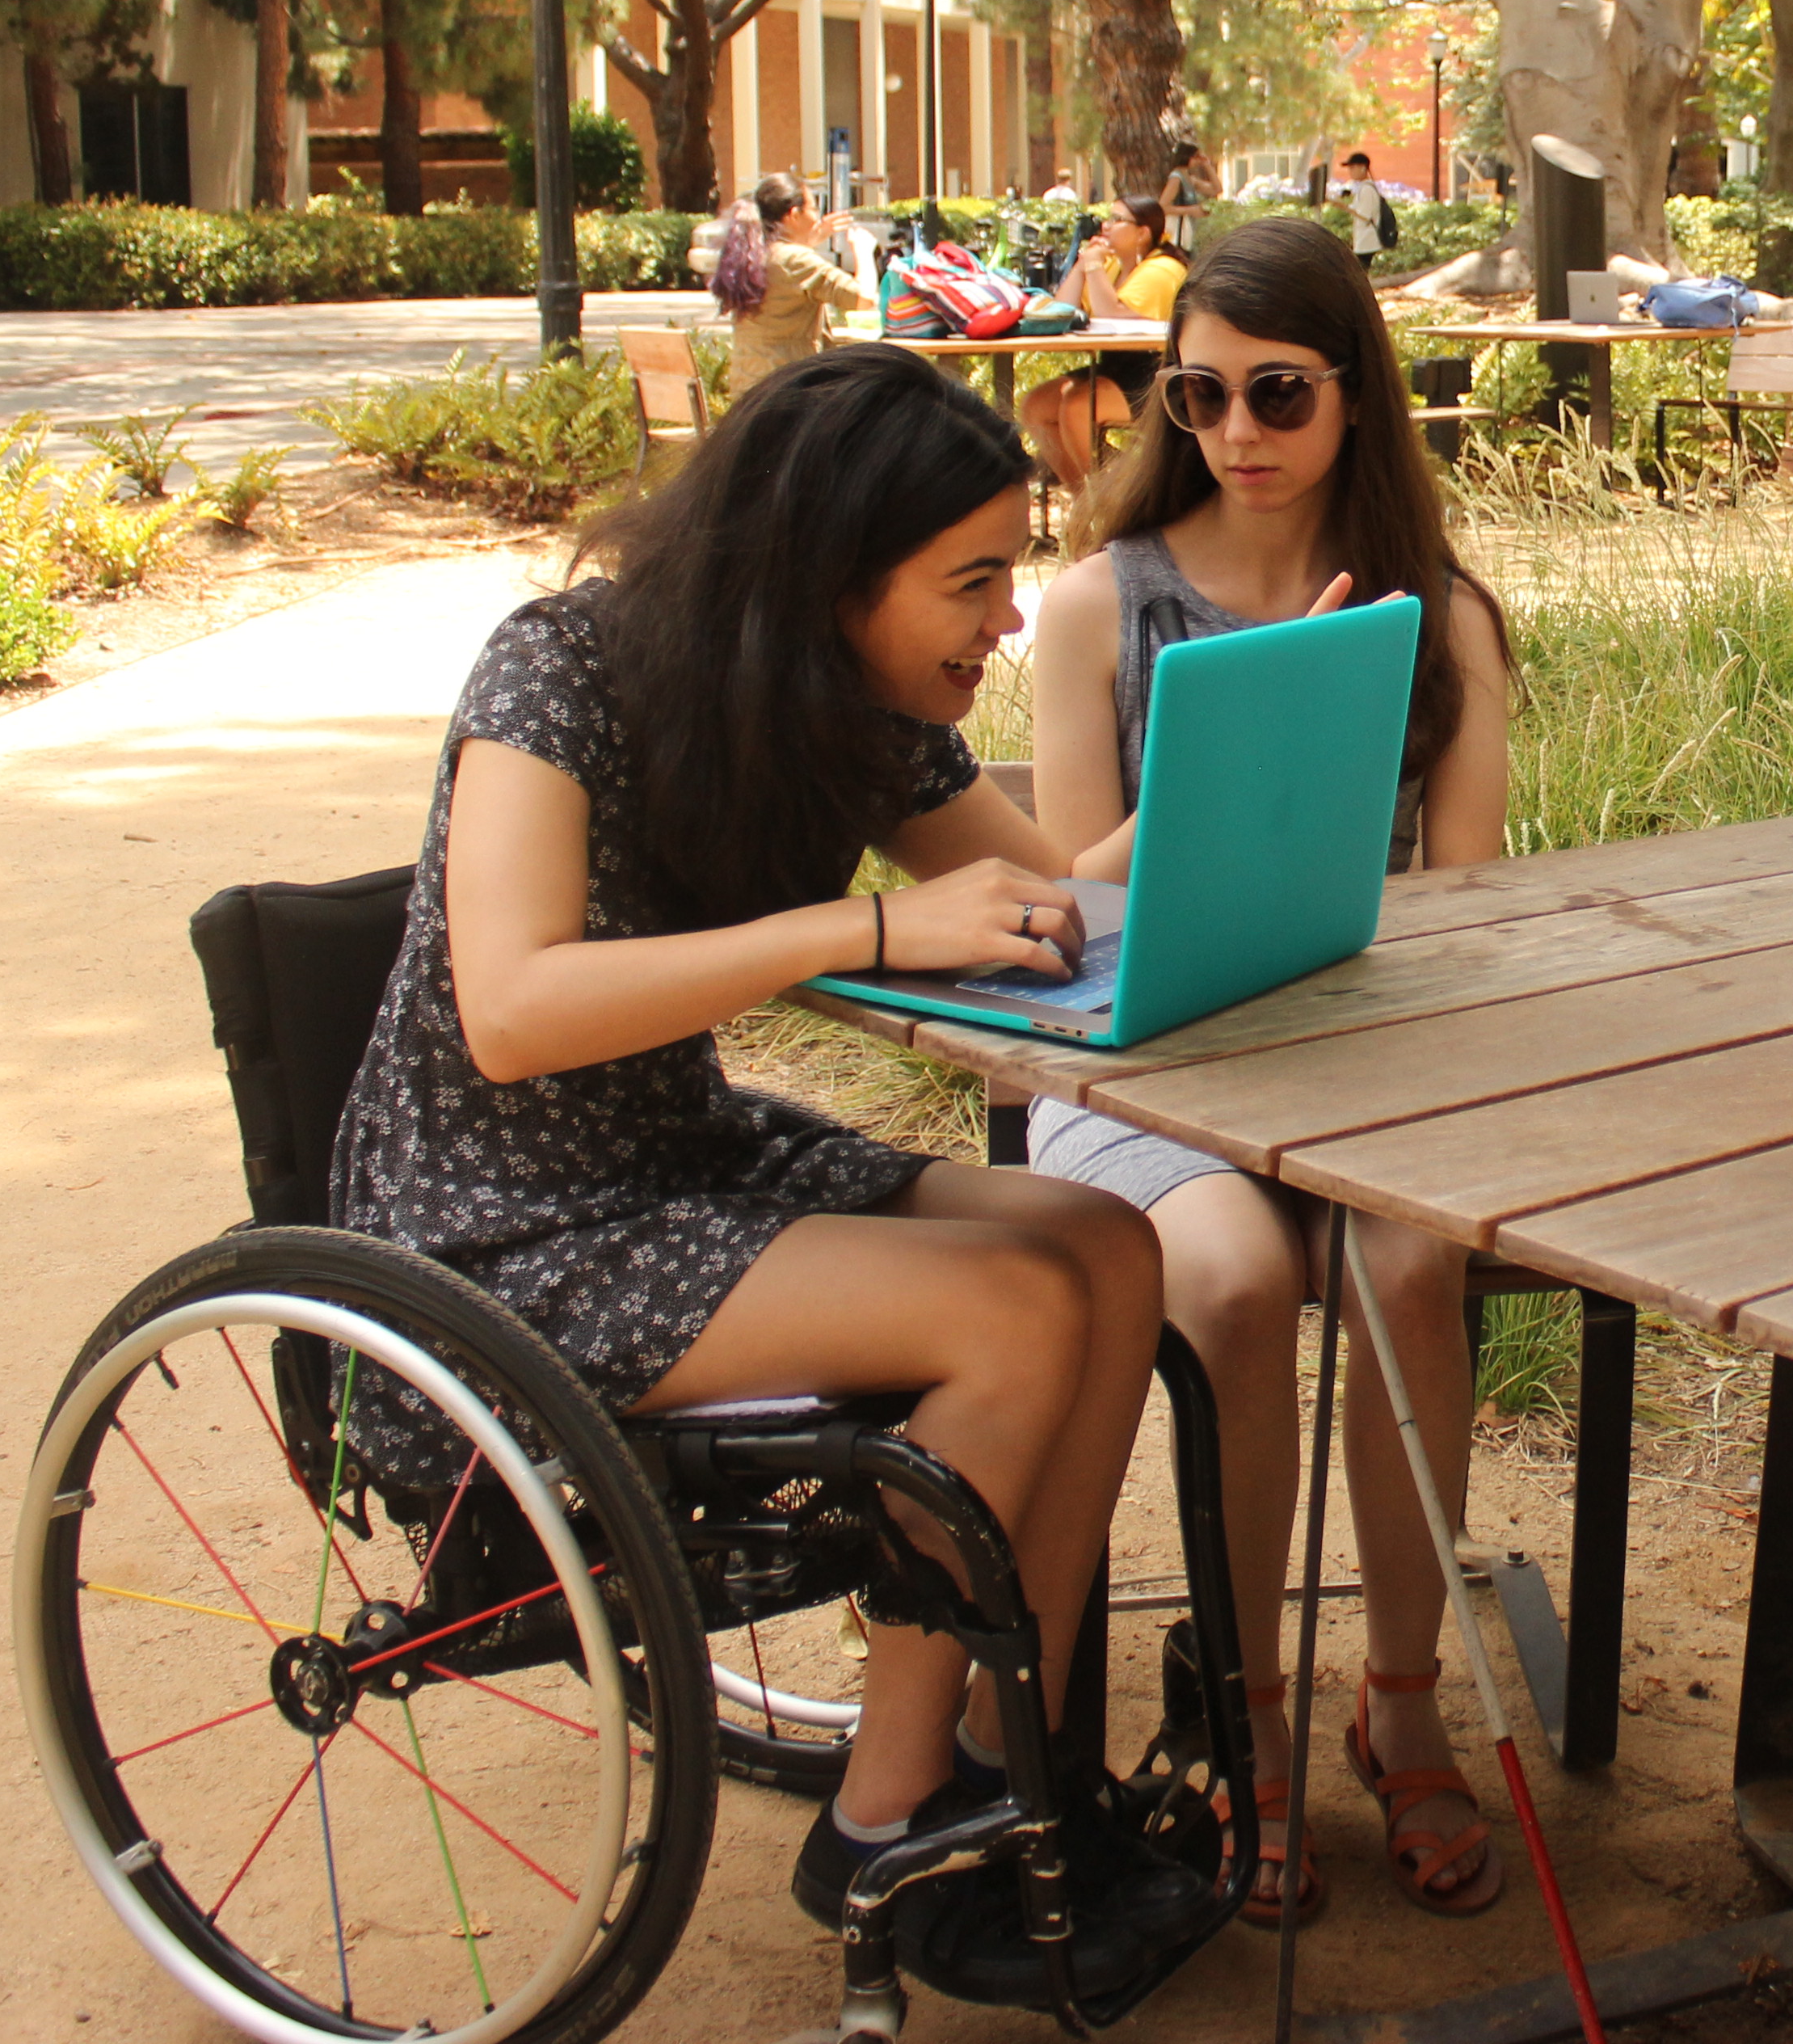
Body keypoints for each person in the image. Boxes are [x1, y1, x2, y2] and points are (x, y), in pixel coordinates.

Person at [323, 347, 1198, 2004]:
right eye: (973, 581)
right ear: (828, 576)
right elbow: (511, 1009)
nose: (1008, 623)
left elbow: (1050, 905)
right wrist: (865, 926)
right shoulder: (558, 671)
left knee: (1105, 1245)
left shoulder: (859, 706)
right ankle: (886, 1823)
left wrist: (1234, 770)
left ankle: (1019, 1783)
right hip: (502, 1226)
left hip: (680, 1161)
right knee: (1016, 1311)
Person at [1021, 217, 1521, 1929]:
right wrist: (1228, 751)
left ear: (1355, 400)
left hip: (1357, 1067)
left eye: (1281, 394)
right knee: (1228, 1282)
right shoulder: (1093, 604)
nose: (1239, 429)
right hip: (1132, 1069)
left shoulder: (1439, 619)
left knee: (1410, 1260)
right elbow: (1055, 901)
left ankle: (1397, 1696)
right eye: (1203, 391)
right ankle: (1246, 1718)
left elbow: (1470, 907)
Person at [1022, 196, 1189, 492]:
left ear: (1143, 232)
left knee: (1078, 406)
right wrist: (1082, 265)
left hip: (1156, 373)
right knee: (1037, 406)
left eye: (1117, 220)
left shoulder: (1163, 269)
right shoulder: (1112, 266)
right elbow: (1062, 310)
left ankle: (1106, 500)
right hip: (1114, 367)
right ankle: (1084, 500)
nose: (1106, 227)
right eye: (1107, 219)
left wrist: (1095, 267)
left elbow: (1110, 313)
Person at [713, 175, 875, 387]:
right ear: (793, 214)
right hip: (789, 391)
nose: (818, 218)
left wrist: (811, 239)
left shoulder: (752, 255)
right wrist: (863, 251)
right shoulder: (794, 260)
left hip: (748, 388)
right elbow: (864, 298)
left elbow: (789, 272)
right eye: (814, 210)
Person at [1161, 137, 1215, 253]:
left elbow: (1216, 189)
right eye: (1195, 157)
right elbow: (1163, 207)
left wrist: (1207, 165)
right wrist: (1190, 210)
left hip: (1190, 233)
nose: (1198, 160)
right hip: (1179, 235)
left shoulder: (1190, 179)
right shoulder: (1176, 179)